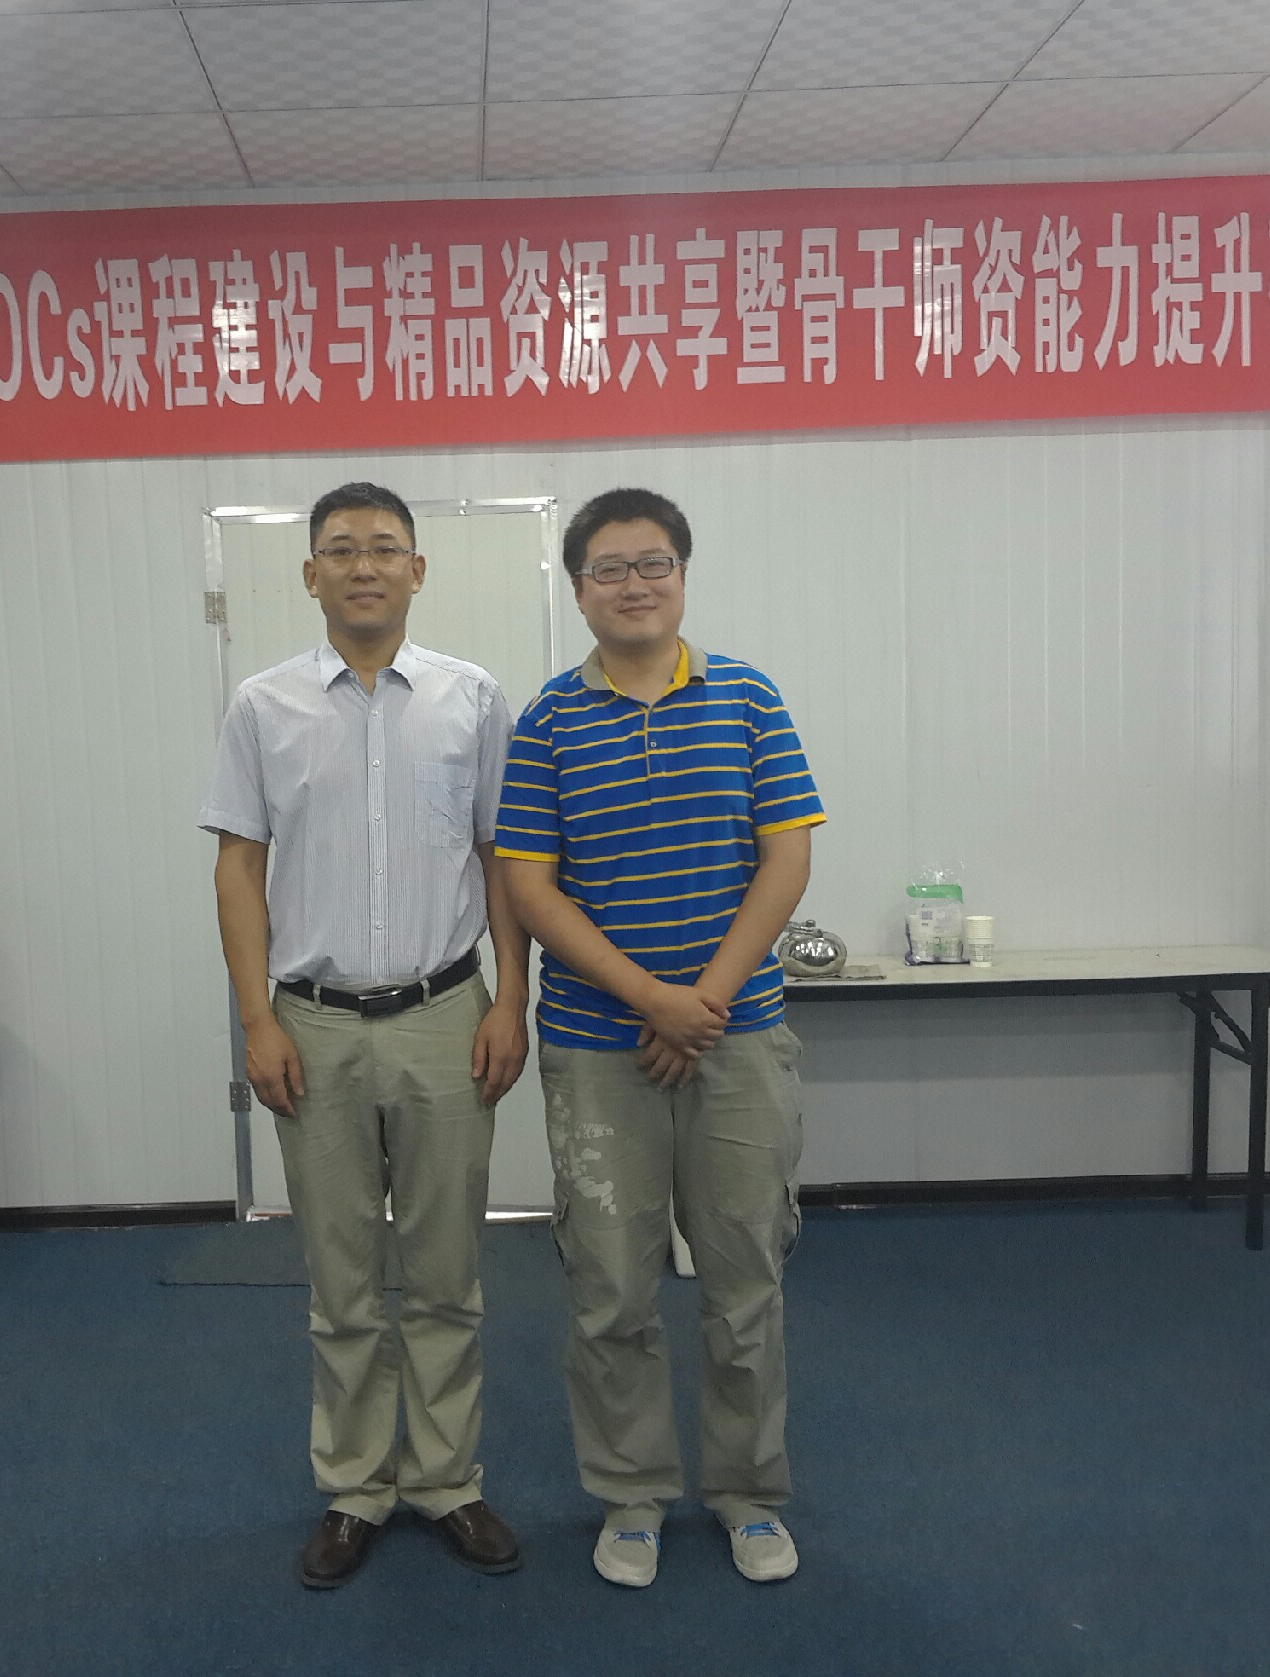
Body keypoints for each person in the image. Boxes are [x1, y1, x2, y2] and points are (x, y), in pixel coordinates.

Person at [199, 481, 532, 1589]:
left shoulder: (471, 699)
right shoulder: (262, 706)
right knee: (340, 1281)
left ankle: (445, 1479)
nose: (363, 565)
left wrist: (510, 999)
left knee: (445, 1272)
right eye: (339, 549)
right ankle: (354, 1487)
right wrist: (256, 1018)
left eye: (385, 547)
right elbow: (237, 866)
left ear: (417, 570)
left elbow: (502, 859)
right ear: (309, 575)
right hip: (313, 1023)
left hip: (445, 1016)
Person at [493, 487, 824, 1589]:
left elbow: (785, 857)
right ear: (576, 587)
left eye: (652, 563)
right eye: (608, 568)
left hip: (737, 1040)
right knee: (610, 1288)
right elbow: (531, 889)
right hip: (598, 1050)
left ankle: (747, 1494)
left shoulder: (746, 697)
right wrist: (650, 998)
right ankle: (630, 1495)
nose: (632, 584)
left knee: (744, 1280)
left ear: (682, 573)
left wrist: (702, 1002)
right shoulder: (547, 722)